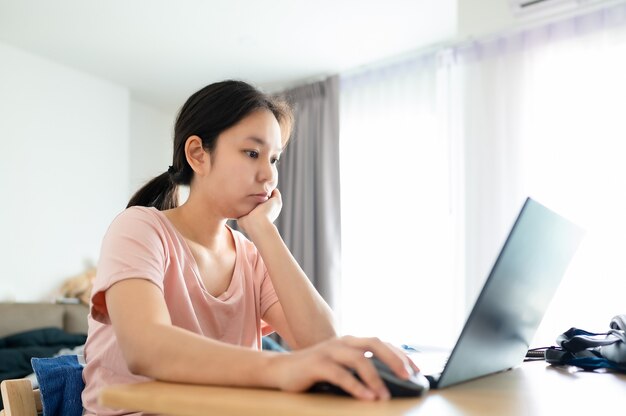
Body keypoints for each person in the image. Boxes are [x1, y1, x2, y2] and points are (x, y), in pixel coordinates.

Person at [82, 80, 417, 415]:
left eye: (274, 159)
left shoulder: (249, 254)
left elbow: (322, 342)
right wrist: (281, 368)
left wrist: (263, 230)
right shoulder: (139, 228)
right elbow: (146, 348)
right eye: (252, 153)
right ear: (198, 154)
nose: (268, 175)